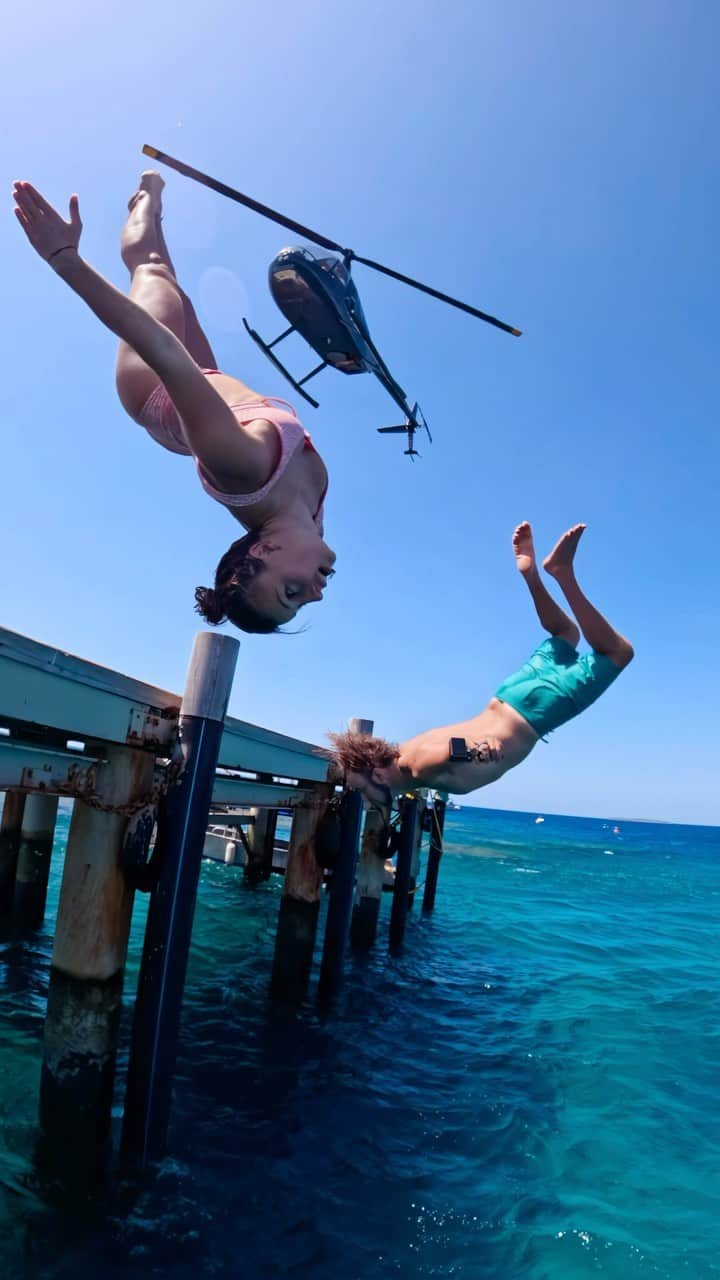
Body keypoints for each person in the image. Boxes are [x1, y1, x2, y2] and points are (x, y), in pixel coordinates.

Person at [12, 172, 336, 633]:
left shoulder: (243, 467)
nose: (316, 594)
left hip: (154, 385)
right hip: (213, 395)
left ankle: (147, 198)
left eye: (292, 591)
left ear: (264, 550)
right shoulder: (310, 526)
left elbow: (163, 352)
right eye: (300, 602)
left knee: (153, 269)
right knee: (175, 286)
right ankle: (146, 208)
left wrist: (65, 260)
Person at [329, 521, 634, 809]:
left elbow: (449, 751)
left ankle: (563, 573)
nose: (363, 802)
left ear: (379, 776)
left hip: (535, 711)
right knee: (566, 634)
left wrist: (479, 749)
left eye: (362, 793)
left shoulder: (415, 765)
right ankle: (531, 573)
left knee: (618, 652)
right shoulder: (404, 751)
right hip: (509, 696)